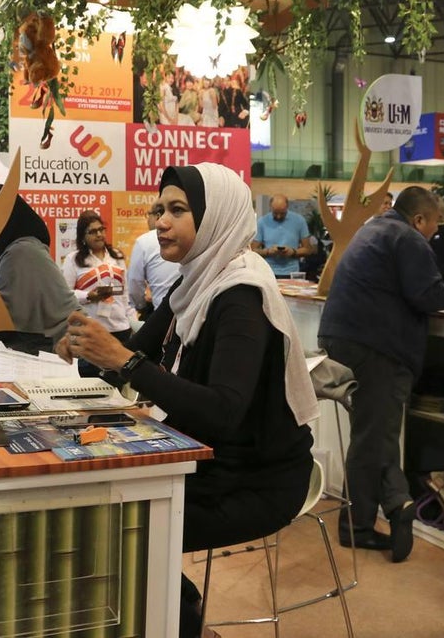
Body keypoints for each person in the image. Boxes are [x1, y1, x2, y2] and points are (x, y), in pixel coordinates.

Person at [55, 163, 318, 638]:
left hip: (255, 482)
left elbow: (222, 410)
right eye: (160, 209)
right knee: (103, 512)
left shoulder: (240, 295)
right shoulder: (192, 283)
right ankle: (177, 610)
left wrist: (125, 363)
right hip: (208, 465)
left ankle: (179, 619)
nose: (160, 222)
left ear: (214, 216)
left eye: (177, 210)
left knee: (115, 526)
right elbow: (134, 353)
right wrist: (85, 350)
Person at [318, 187, 444, 564]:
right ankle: (356, 527)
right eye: (434, 226)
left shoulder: (373, 229)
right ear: (419, 219)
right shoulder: (406, 237)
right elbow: (428, 295)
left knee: (376, 433)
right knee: (371, 438)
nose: (433, 234)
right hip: (378, 346)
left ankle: (398, 503)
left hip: (346, 338)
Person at [0, 185, 78, 353]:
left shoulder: (21, 252)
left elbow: (3, 320)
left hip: (63, 354)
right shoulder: (4, 253)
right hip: (49, 348)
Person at [62, 211, 132, 374]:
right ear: (82, 237)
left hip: (120, 329)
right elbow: (65, 295)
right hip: (92, 330)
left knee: (120, 381)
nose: (99, 234)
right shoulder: (74, 260)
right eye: (92, 232)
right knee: (91, 380)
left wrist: (131, 320)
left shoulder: (117, 257)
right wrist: (88, 296)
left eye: (101, 229)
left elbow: (125, 295)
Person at [126, 202, 181, 320]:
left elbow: (134, 283)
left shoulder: (144, 241)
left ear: (157, 216)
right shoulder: (185, 236)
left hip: (162, 316)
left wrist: (141, 305)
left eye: (148, 215)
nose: (147, 219)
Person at [251, 193, 314, 277]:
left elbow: (308, 249)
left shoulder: (299, 221)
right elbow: (252, 250)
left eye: (282, 213)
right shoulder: (262, 222)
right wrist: (268, 251)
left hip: (292, 272)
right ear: (270, 207)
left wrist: (293, 252)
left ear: (287, 207)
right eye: (275, 213)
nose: (278, 216)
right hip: (268, 272)